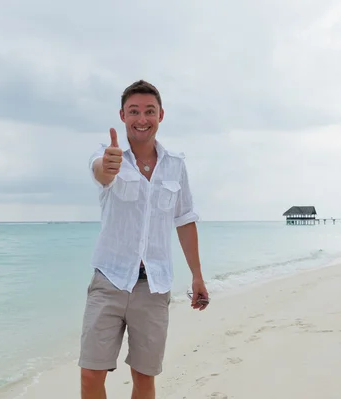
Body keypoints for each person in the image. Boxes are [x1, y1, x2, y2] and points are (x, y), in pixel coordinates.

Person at [79, 79, 209, 399]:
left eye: (149, 111)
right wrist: (106, 167)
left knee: (144, 378)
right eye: (134, 111)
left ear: (161, 115)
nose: (142, 118)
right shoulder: (108, 155)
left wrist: (197, 276)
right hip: (109, 280)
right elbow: (101, 172)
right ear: (122, 115)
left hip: (153, 286)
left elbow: (185, 219)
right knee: (91, 374)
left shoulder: (175, 165)